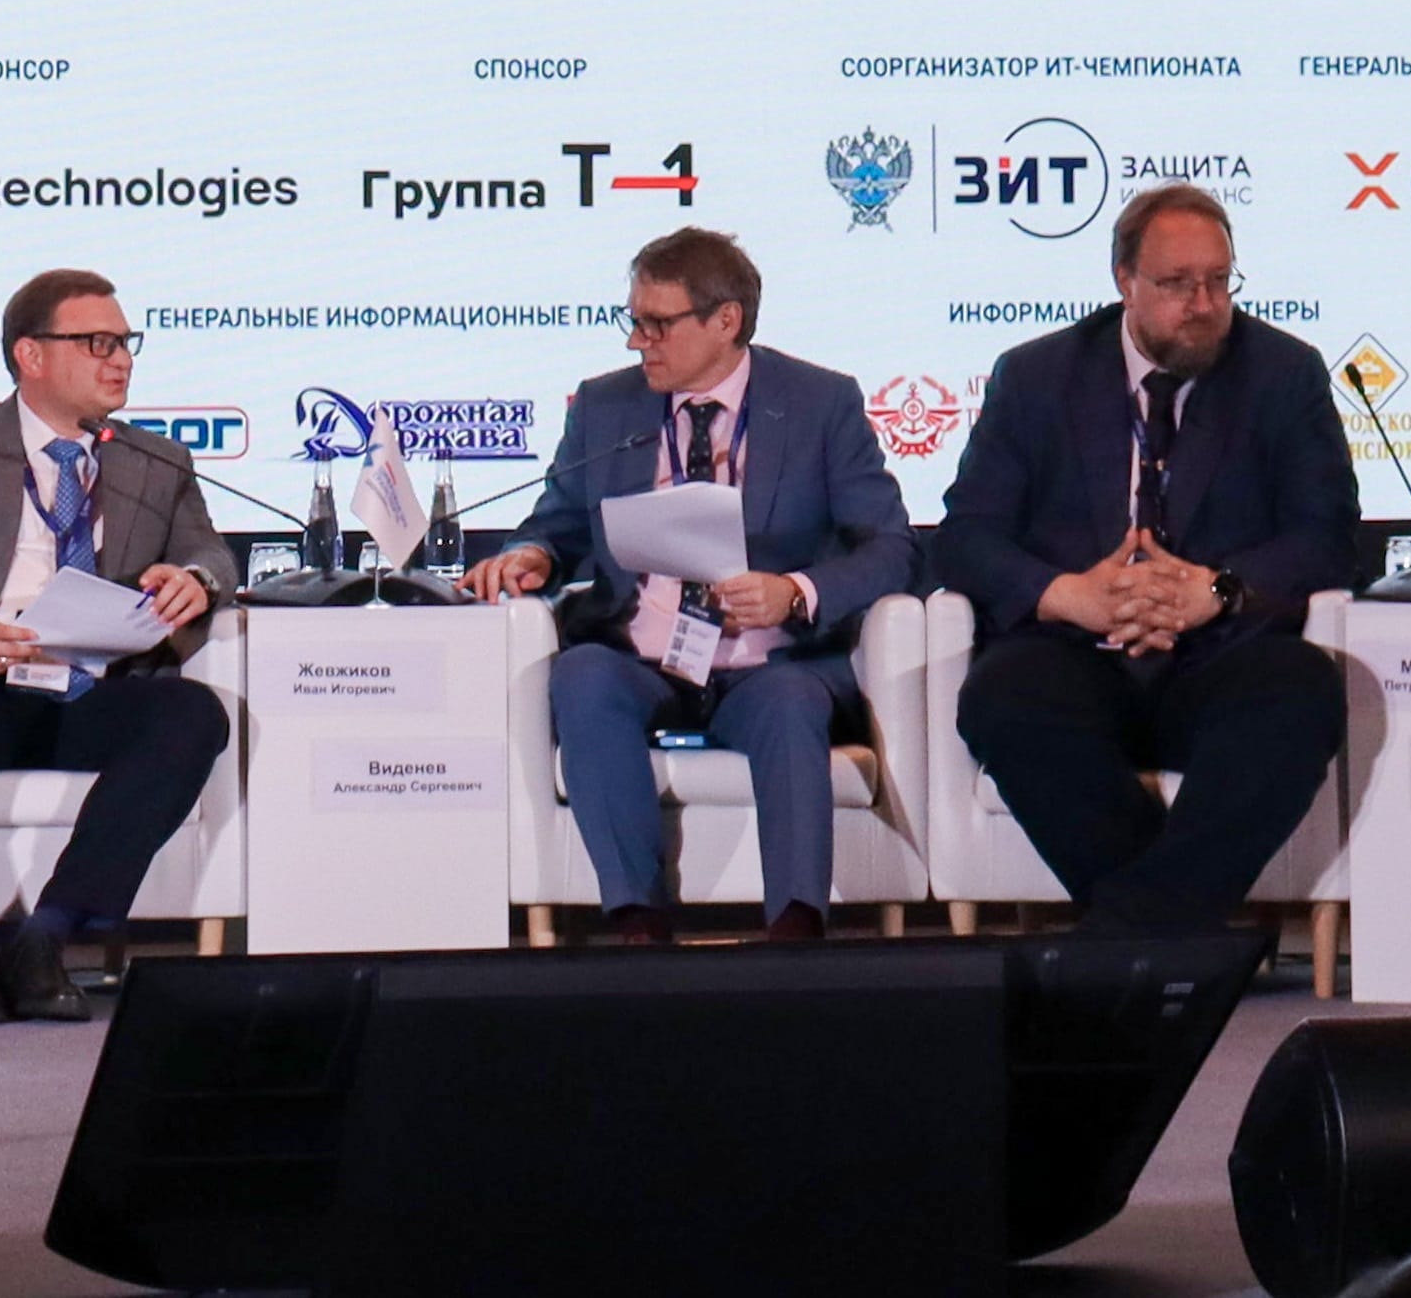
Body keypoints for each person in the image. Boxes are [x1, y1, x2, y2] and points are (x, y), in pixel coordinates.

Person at [932, 183, 1364, 927]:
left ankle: (1128, 939)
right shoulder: (1037, 377)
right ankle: (1174, 936)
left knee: (1301, 692)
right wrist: (1068, 594)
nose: (1203, 303)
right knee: (1002, 696)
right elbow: (966, 536)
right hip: (1075, 655)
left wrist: (1218, 589)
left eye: (1218, 281)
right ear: (1123, 281)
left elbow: (1327, 536)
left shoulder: (1282, 373)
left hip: (1218, 655)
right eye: (1176, 284)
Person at [464, 226, 911, 941]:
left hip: (769, 662)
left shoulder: (819, 403)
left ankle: (797, 930)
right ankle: (637, 922)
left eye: (657, 324)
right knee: (581, 676)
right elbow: (557, 523)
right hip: (643, 657)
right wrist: (533, 555)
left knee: (792, 701)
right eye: (633, 321)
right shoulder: (605, 405)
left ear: (725, 320)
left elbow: (890, 548)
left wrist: (795, 590)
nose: (637, 342)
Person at [0, 268, 236, 1022]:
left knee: (194, 714)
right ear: (30, 355)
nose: (120, 360)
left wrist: (195, 578)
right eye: (98, 343)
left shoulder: (157, 459)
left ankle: (47, 937)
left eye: (125, 342)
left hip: (93, 690)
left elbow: (210, 552)